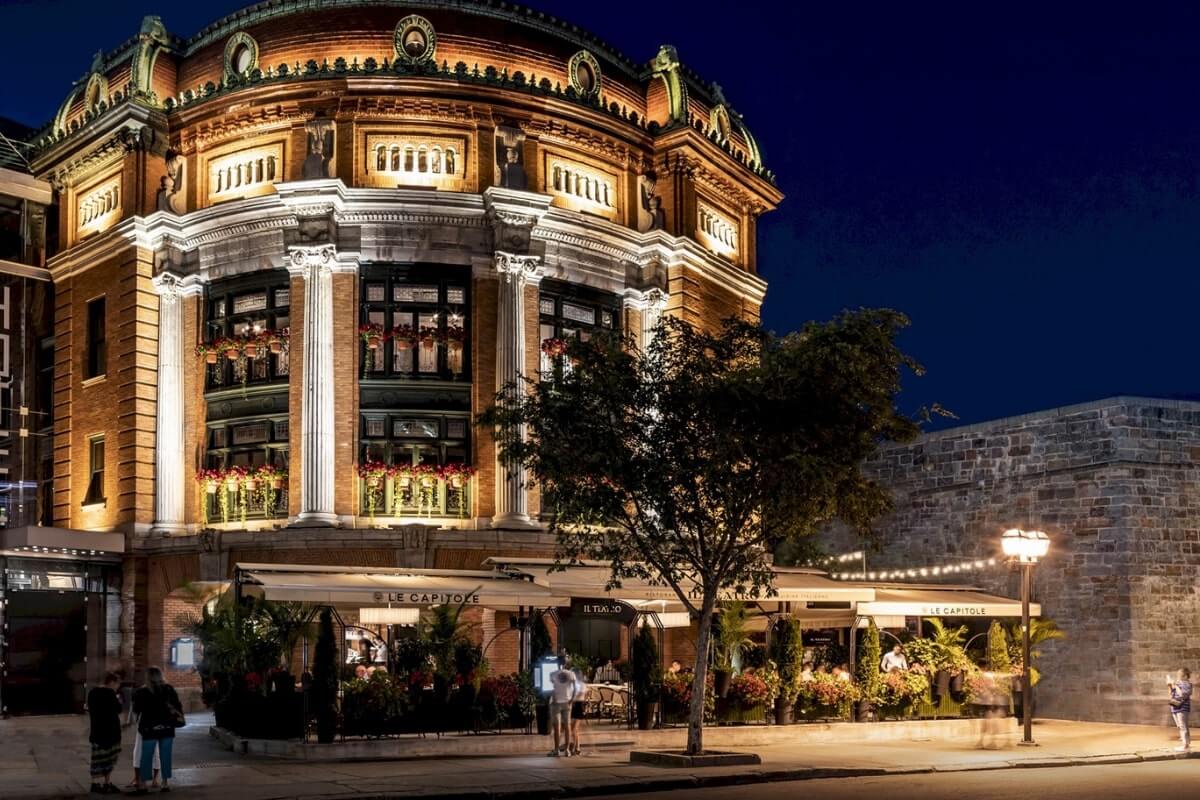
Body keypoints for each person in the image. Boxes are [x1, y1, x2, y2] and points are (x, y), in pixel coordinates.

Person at [131, 666, 184, 794]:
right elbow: (178, 705)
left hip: (149, 728)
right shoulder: (169, 689)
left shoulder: (142, 692)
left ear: (148, 677)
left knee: (146, 755)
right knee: (165, 755)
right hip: (167, 727)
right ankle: (164, 783)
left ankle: (143, 784)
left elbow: (137, 709)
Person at [87, 672, 123, 794]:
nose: (118, 687)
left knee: (96, 759)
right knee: (109, 758)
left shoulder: (92, 693)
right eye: (118, 684)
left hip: (96, 731)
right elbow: (118, 709)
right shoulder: (111, 694)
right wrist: (118, 699)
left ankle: (94, 783)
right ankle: (107, 783)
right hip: (110, 732)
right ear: (112, 682)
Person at [547, 667, 576, 757]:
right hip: (567, 702)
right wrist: (572, 700)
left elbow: (551, 689)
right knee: (567, 727)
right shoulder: (571, 674)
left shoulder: (552, 673)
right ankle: (567, 750)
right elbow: (575, 689)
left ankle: (556, 750)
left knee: (557, 728)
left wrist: (554, 697)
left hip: (556, 703)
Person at [1169, 668, 1192, 752]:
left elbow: (1182, 694)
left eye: (1180, 675)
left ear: (1185, 676)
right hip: (1175, 706)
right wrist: (1170, 685)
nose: (1178, 677)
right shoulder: (1178, 683)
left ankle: (1185, 745)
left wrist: (1176, 686)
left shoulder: (1188, 684)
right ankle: (1185, 742)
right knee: (1179, 726)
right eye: (1178, 675)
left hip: (1182, 707)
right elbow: (1172, 693)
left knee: (1183, 726)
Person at [569, 668, 589, 756]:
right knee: (574, 729)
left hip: (578, 706)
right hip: (573, 706)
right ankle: (577, 747)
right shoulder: (573, 684)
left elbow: (581, 694)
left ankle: (575, 747)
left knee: (574, 729)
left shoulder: (582, 684)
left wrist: (572, 699)